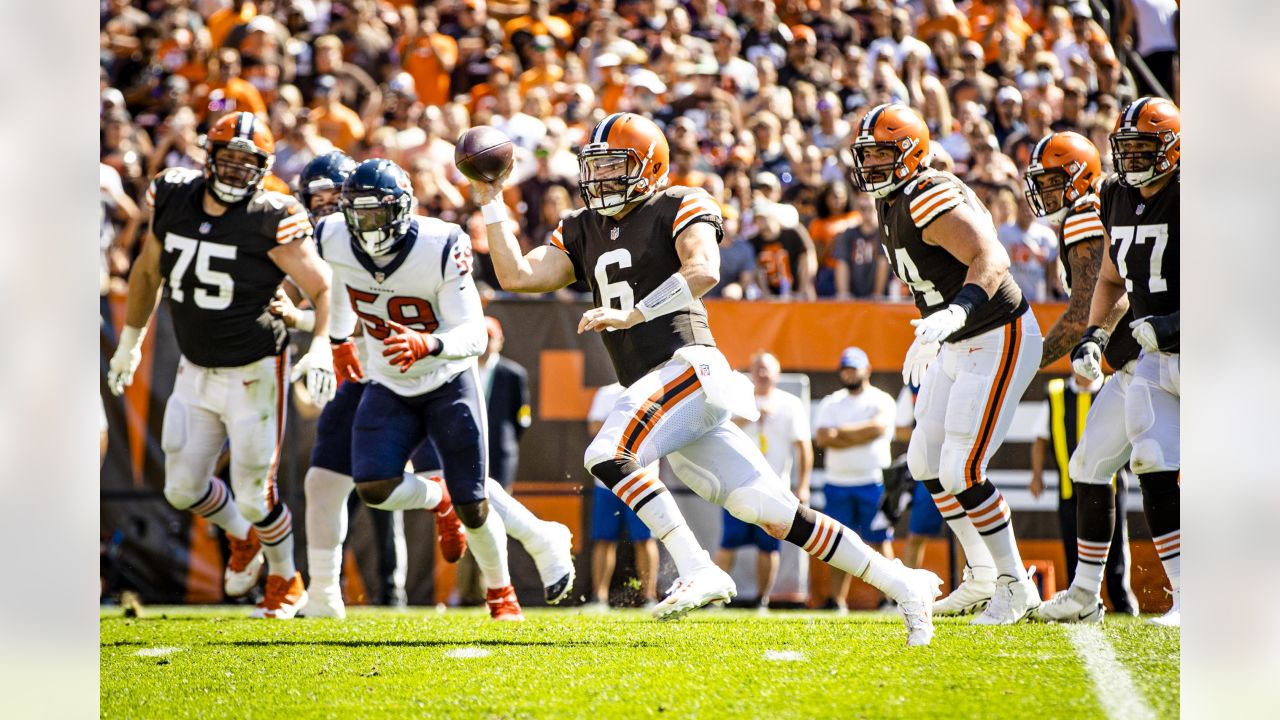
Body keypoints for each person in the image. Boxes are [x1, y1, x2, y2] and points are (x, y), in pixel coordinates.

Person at [476, 112, 941, 645]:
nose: (600, 180)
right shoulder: (583, 227)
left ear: (649, 168)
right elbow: (517, 275)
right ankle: (904, 584)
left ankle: (697, 566)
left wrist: (634, 314)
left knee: (606, 454)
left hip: (688, 366)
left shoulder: (679, 203)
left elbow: (705, 271)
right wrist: (492, 198)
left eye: (613, 168)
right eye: (595, 169)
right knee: (768, 510)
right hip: (662, 387)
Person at [107, 112, 336, 619]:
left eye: (246, 162)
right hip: (195, 366)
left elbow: (324, 288)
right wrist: (130, 342)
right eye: (227, 160)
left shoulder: (272, 215)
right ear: (207, 158)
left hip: (255, 370)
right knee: (181, 488)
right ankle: (241, 538)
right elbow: (148, 270)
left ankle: (285, 579)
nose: (235, 171)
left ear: (264, 168)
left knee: (257, 493)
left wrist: (320, 343)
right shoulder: (172, 194)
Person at [850, 103, 1043, 624]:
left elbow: (993, 258)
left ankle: (1016, 584)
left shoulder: (929, 194)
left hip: (995, 331)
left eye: (881, 154)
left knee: (962, 467)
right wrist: (936, 327)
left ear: (909, 154)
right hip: (955, 339)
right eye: (865, 155)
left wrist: (956, 311)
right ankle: (981, 576)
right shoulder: (892, 198)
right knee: (924, 463)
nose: (870, 166)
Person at [319, 158, 522, 620]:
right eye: (359, 213)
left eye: (377, 213)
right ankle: (438, 499)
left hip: (446, 381)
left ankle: (500, 591)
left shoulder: (440, 243)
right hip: (390, 382)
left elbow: (474, 335)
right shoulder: (333, 234)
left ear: (403, 210)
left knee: (475, 505)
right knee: (373, 485)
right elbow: (339, 279)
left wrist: (429, 343)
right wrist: (337, 338)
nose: (366, 226)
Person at [1019, 130, 1147, 625]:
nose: (1044, 193)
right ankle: (1085, 594)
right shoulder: (1088, 212)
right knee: (1090, 464)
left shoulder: (1086, 215)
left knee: (1160, 469)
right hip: (1132, 361)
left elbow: (1080, 313)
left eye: (1052, 182)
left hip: (1152, 358)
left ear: (1077, 178)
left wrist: (1025, 361)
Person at [1069, 97, 1181, 626]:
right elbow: (1113, 277)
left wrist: (1176, 323)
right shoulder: (1115, 193)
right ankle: (1186, 596)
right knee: (1151, 456)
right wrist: (1095, 333)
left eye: (1144, 148)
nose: (1133, 160)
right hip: (1156, 358)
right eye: (1127, 149)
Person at [1030, 374, 1138, 617]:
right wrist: (1036, 476)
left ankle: (1122, 600)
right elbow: (1040, 438)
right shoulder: (1057, 393)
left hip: (1110, 486)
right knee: (1073, 543)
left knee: (1116, 545)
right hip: (1070, 489)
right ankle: (1077, 599)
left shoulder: (1114, 388)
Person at [715, 352, 812, 610]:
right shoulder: (738, 400)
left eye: (767, 369)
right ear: (751, 372)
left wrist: (802, 484)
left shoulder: (790, 404)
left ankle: (762, 600)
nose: (763, 374)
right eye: (758, 368)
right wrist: (749, 417)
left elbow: (804, 446)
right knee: (728, 543)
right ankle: (713, 599)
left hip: (774, 489)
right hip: (738, 486)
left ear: (777, 373)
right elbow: (718, 433)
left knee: (768, 547)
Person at [813, 347, 896, 611]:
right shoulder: (831, 401)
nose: (848, 374)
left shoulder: (881, 400)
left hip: (873, 482)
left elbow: (878, 429)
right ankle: (837, 600)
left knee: (880, 540)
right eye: (845, 369)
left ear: (867, 370)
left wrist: (841, 434)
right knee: (839, 545)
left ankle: (889, 598)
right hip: (837, 484)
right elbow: (824, 438)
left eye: (853, 368)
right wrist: (859, 433)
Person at [586, 382, 659, 610]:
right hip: (606, 482)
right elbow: (594, 426)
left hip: (642, 479)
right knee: (604, 539)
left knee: (644, 540)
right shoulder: (606, 393)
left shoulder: (654, 391)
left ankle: (649, 597)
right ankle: (599, 598)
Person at [478, 316, 530, 490]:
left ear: (499, 340)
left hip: (501, 451)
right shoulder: (463, 371)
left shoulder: (513, 373)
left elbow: (522, 415)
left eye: (489, 337)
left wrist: (506, 438)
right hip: (468, 447)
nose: (484, 343)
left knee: (502, 501)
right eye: (480, 337)